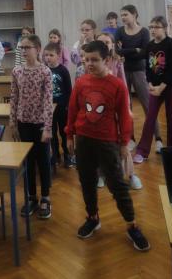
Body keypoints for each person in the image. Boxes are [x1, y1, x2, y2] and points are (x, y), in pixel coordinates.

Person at [66, 40, 150, 250]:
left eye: (94, 60)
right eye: (86, 60)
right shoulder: (81, 83)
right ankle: (92, 218)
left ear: (107, 60)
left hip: (107, 142)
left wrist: (124, 143)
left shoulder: (117, 85)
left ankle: (132, 225)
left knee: (117, 185)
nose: (89, 64)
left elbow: (124, 117)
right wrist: (69, 135)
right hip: (83, 140)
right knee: (87, 181)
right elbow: (73, 110)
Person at [10, 34, 54, 220]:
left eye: (27, 47)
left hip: (40, 124)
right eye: (22, 47)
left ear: (38, 49)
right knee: (27, 162)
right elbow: (14, 97)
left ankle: (46, 197)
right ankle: (31, 197)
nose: (24, 51)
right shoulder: (17, 71)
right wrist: (13, 122)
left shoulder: (45, 72)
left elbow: (48, 101)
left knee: (43, 161)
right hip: (23, 123)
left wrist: (48, 127)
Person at [133, 16, 172, 163]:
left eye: (156, 27)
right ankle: (142, 151)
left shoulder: (171, 43)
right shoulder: (150, 45)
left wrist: (162, 86)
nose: (153, 30)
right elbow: (148, 67)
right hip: (154, 88)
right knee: (150, 118)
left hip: (169, 87)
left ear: (165, 28)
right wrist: (149, 84)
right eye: (151, 27)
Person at [98, 32, 143, 190]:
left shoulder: (117, 61)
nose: (104, 45)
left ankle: (130, 175)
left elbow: (123, 85)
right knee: (101, 144)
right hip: (99, 110)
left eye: (107, 42)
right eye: (101, 42)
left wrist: (126, 108)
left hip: (115, 108)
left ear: (112, 45)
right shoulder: (93, 62)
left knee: (121, 144)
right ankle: (101, 174)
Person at [115, 5, 161, 151]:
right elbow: (117, 51)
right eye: (122, 15)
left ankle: (158, 139)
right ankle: (130, 139)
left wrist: (126, 52)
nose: (123, 17)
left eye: (126, 14)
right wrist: (135, 49)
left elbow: (144, 53)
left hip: (139, 71)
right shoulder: (119, 31)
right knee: (126, 106)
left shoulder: (144, 31)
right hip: (123, 71)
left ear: (134, 14)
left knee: (148, 105)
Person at [43, 42, 73, 168]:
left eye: (51, 55)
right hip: (49, 108)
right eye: (46, 55)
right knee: (52, 133)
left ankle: (67, 155)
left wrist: (67, 106)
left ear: (58, 55)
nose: (48, 58)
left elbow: (69, 90)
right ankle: (55, 156)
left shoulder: (63, 70)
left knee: (63, 132)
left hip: (62, 107)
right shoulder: (44, 70)